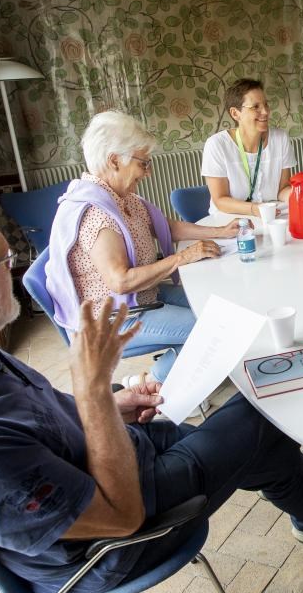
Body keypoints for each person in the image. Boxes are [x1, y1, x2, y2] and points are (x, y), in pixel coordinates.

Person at [0, 201, 303, 593]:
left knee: (257, 424)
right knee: (265, 407)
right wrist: (93, 395)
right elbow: (120, 517)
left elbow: (40, 426)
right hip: (118, 543)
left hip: (118, 459)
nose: (13, 269)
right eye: (3, 262)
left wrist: (108, 406)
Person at [46, 110, 242, 386]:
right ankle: (148, 381)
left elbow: (164, 226)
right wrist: (182, 257)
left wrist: (221, 231)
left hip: (144, 296)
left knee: (222, 307)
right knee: (211, 329)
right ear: (114, 160)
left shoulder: (119, 196)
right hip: (115, 317)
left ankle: (195, 367)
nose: (147, 172)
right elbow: (121, 281)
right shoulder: (97, 213)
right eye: (143, 163)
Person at [203, 78, 296, 218]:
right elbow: (220, 200)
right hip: (230, 222)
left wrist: (300, 194)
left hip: (271, 217)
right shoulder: (217, 145)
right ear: (235, 113)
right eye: (256, 107)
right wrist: (254, 209)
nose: (265, 111)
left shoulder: (280, 139)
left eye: (266, 104)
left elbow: (282, 190)